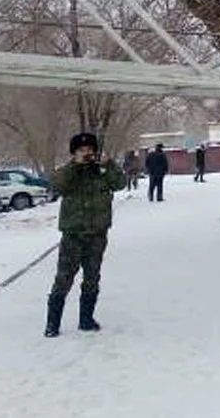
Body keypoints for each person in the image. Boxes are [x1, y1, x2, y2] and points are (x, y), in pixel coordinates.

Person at [45, 133, 126, 337]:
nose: (87, 153)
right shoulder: (68, 172)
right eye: (82, 150)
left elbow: (120, 184)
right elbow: (56, 186)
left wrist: (110, 164)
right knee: (63, 279)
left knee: (92, 278)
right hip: (73, 235)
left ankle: (86, 320)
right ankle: (52, 324)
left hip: (97, 234)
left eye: (90, 149)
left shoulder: (102, 171)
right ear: (74, 153)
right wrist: (75, 165)